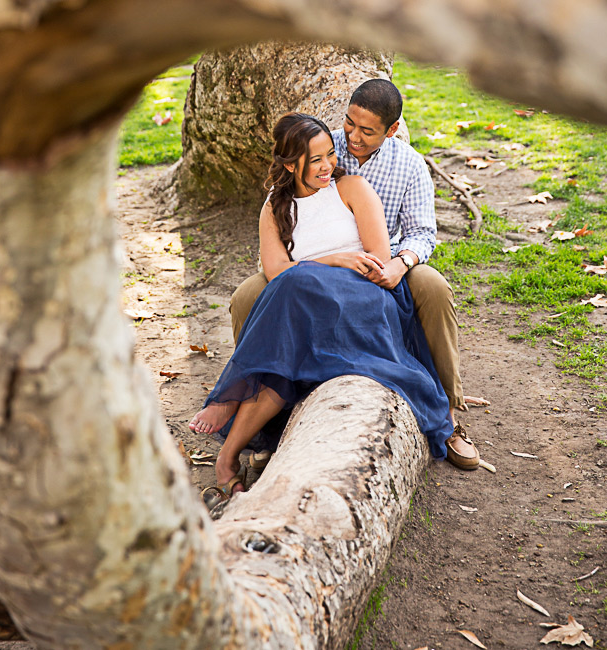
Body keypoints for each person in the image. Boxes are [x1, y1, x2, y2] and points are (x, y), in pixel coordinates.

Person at [189, 113, 454, 499]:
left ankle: (229, 396)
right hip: (303, 308)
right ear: (288, 164)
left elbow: (379, 256)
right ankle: (226, 459)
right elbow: (276, 271)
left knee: (296, 286)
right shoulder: (274, 207)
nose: (328, 165)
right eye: (315, 160)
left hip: (361, 298)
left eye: (330, 154)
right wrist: (332, 260)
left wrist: (340, 264)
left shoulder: (351, 188)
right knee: (286, 352)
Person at [229, 80, 479, 470]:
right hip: (308, 265)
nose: (353, 137)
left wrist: (401, 264)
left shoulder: (408, 164)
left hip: (384, 263)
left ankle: (447, 413)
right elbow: (284, 195)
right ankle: (262, 408)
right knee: (247, 295)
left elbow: (423, 232)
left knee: (432, 287)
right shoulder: (323, 147)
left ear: (391, 130)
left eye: (367, 130)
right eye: (349, 123)